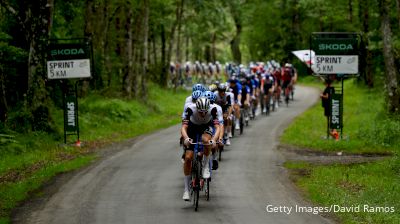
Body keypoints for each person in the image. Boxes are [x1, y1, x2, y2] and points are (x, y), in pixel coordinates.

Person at [181, 97, 220, 201]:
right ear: (196, 108)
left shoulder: (213, 109)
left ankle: (206, 165)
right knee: (188, 158)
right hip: (193, 127)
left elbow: (218, 127)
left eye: (205, 112)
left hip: (206, 126)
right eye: (200, 112)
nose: (203, 114)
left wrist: (214, 140)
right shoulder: (190, 109)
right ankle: (186, 190)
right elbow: (184, 127)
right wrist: (186, 138)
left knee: (206, 141)